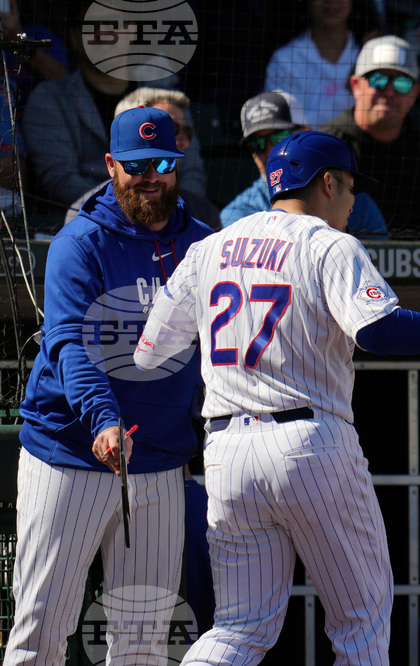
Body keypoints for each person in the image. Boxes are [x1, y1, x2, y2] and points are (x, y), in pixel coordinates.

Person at [133, 130, 420, 664]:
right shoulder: (328, 243)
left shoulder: (208, 248)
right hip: (309, 442)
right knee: (361, 622)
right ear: (328, 182)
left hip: (226, 450)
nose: (353, 201)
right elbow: (379, 330)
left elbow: (149, 354)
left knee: (238, 628)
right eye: (350, 187)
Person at [5, 106, 214, 665]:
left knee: (145, 644)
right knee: (41, 633)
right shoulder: (79, 242)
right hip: (70, 456)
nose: (150, 177)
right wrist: (102, 419)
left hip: (160, 461)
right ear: (111, 165)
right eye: (136, 165)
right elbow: (70, 344)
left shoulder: (204, 246)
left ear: (177, 163)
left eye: (161, 163)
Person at [322, 35, 420, 235]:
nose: (389, 92)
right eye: (378, 80)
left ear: (415, 93)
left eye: (402, 83)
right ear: (356, 86)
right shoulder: (325, 147)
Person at [221, 90, 387, 236]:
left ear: (307, 132)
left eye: (279, 137)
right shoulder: (237, 214)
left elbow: (382, 256)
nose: (271, 150)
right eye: (257, 144)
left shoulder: (351, 197)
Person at [23, 5, 135, 211]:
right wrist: (127, 206)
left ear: (132, 31)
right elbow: (60, 179)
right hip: (86, 217)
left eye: (112, 23)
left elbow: (190, 172)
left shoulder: (161, 96)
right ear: (75, 37)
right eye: (91, 25)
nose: (102, 32)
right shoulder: (49, 98)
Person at [64, 87, 220, 229]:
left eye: (186, 131)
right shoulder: (84, 217)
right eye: (169, 129)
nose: (183, 141)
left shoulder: (203, 214)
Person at [263, 0, 381, 128]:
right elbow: (286, 128)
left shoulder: (372, 54)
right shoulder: (285, 59)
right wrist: (347, 90)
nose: (332, 2)